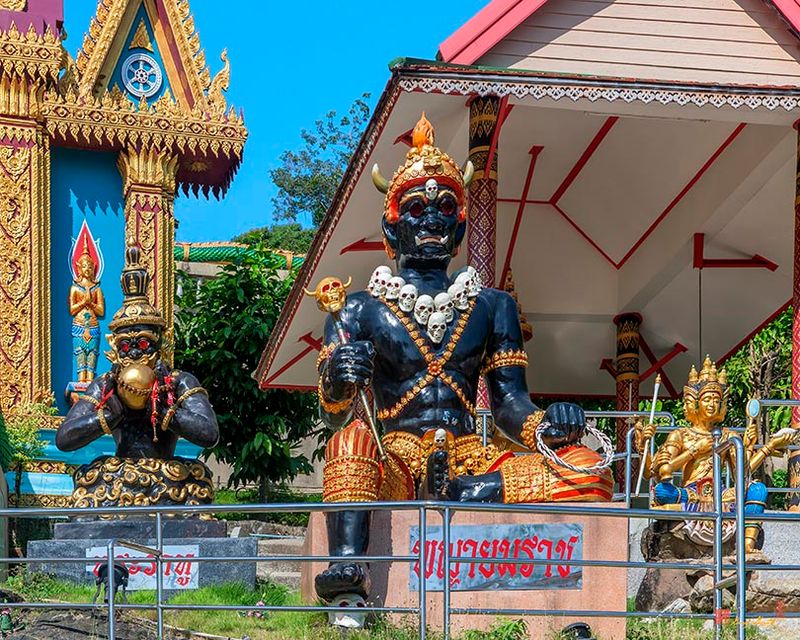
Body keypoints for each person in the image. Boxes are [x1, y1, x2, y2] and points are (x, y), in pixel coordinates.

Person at [314, 113, 612, 604]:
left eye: (445, 208)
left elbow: (510, 404)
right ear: (391, 227)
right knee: (350, 443)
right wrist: (339, 379)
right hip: (396, 460)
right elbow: (335, 411)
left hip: (472, 461)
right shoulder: (358, 308)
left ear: (458, 229)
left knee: (589, 470)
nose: (431, 220)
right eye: (415, 208)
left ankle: (466, 496)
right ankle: (348, 574)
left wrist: (548, 426)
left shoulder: (493, 306)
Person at [57, 239, 219, 509]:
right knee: (88, 481)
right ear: (114, 348)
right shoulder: (106, 385)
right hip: (117, 477)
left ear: (160, 343)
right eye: (125, 346)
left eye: (142, 344)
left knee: (196, 482)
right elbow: (65, 438)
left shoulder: (179, 382)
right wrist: (109, 415)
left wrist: (166, 410)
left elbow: (209, 434)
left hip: (169, 477)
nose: (133, 353)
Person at [638, 357, 796, 551]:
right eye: (706, 399)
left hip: (721, 495)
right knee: (663, 492)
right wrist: (694, 450)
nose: (712, 404)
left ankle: (747, 544)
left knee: (758, 489)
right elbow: (659, 471)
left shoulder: (728, 436)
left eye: (716, 399)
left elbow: (742, 474)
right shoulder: (680, 434)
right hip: (692, 493)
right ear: (693, 402)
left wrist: (764, 447)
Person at [69, 240, 105, 384]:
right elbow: (72, 309)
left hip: (94, 326)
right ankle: (80, 380)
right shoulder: (75, 288)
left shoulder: (97, 289)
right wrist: (84, 302)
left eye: (90, 266)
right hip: (79, 324)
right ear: (79, 268)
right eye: (85, 266)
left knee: (92, 354)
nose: (88, 269)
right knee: (80, 353)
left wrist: (91, 303)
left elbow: (101, 311)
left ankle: (90, 381)